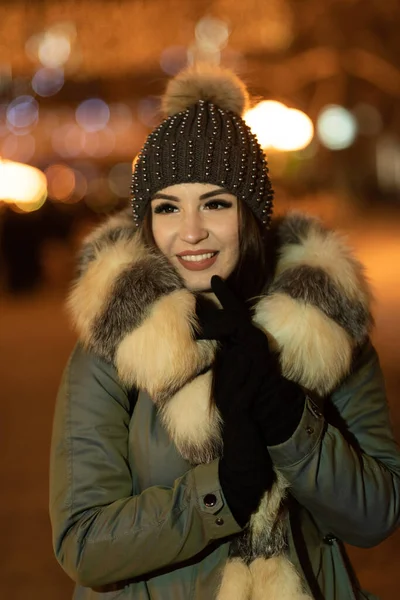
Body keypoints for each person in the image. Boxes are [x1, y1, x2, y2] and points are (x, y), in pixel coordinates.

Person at [49, 64, 400, 600]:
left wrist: (289, 421)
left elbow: (376, 515)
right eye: (168, 207)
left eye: (215, 203)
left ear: (251, 213)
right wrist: (219, 496)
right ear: (147, 219)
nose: (191, 232)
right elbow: (82, 545)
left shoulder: (323, 323)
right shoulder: (110, 346)